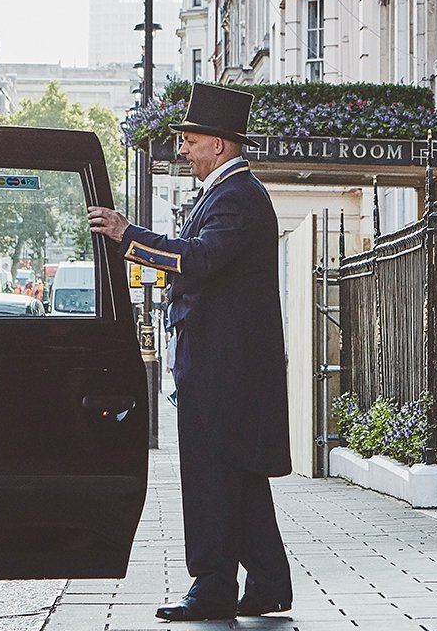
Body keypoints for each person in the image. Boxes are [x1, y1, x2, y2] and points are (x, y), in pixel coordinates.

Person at [87, 83, 291, 622]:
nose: (183, 150)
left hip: (226, 371)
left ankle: (213, 586)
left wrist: (129, 236)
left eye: (191, 141)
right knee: (240, 476)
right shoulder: (226, 194)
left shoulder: (239, 197)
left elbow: (198, 260)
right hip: (226, 368)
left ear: (220, 146)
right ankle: (269, 583)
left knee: (210, 479)